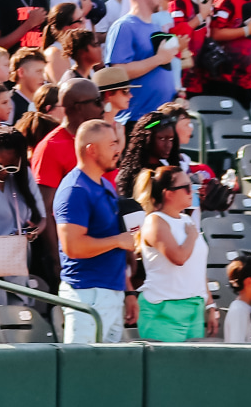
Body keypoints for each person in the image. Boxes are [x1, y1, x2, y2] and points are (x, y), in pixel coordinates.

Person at [54, 117, 130, 343]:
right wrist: (118, 240)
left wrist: (128, 291)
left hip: (112, 292)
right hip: (87, 293)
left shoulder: (105, 184)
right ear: (92, 150)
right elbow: (73, 247)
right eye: (111, 144)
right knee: (80, 364)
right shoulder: (75, 190)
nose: (117, 150)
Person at [133, 165, 208, 342]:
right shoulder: (155, 221)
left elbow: (198, 267)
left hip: (195, 306)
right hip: (163, 309)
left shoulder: (187, 220)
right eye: (186, 187)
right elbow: (179, 258)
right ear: (169, 193)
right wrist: (191, 237)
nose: (192, 190)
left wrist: (210, 305)